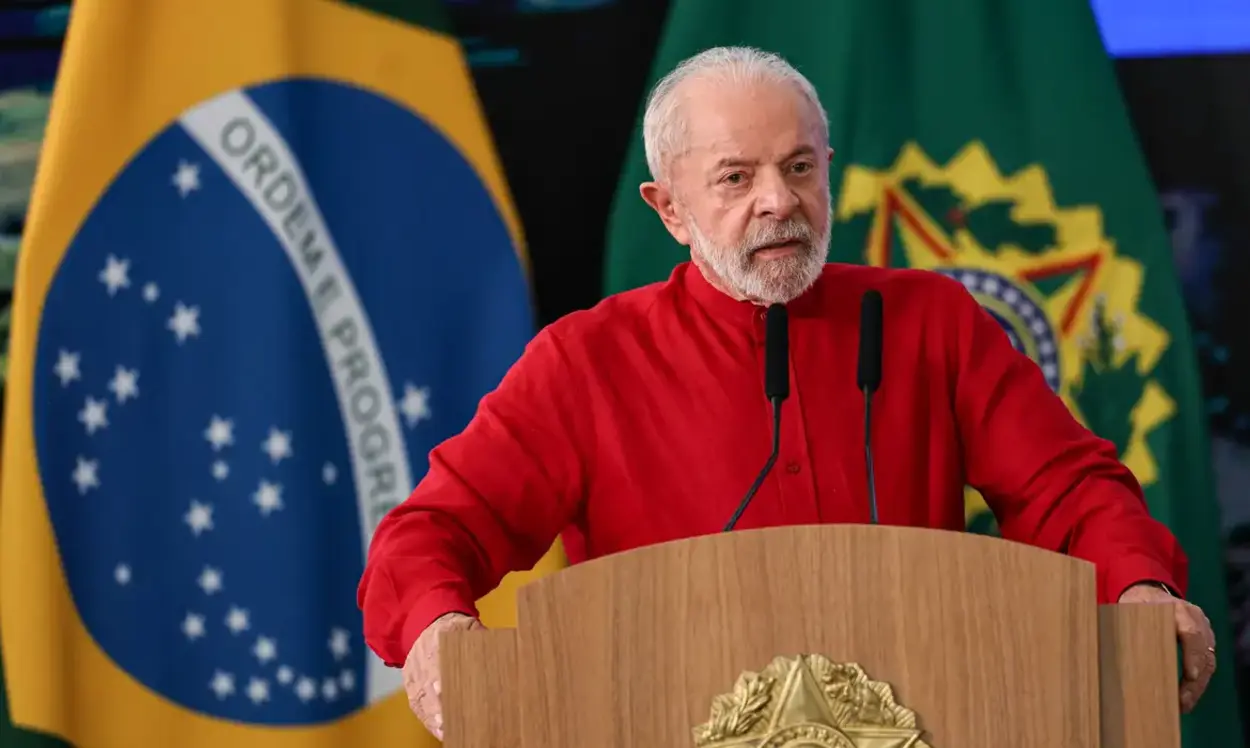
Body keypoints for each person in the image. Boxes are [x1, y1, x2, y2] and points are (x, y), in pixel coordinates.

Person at [357, 46, 1217, 739]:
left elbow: (1071, 492)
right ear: (670, 209)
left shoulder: (931, 323)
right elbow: (428, 534)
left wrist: (1142, 590)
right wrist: (437, 632)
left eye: (800, 167)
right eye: (736, 178)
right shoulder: (585, 361)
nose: (780, 202)